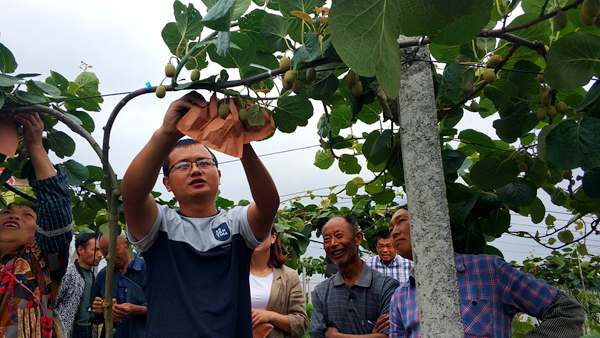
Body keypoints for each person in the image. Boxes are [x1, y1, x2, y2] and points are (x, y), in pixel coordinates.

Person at [120, 91, 280, 337]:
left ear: (219, 175)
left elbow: (269, 205)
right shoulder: (159, 225)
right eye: (183, 166)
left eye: (204, 163)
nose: (195, 170)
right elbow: (132, 195)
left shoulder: (236, 223)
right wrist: (166, 134)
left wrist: (242, 142)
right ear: (167, 183)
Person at [388, 207, 586, 337]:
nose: (394, 232)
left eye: (400, 221)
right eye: (391, 227)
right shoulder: (400, 297)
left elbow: (567, 311)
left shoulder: (489, 271)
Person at [0, 113, 73, 337]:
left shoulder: (41, 263)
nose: (14, 216)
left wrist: (35, 146)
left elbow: (56, 209)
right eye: (6, 211)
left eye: (27, 215)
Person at [311, 216, 399, 338]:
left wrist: (334, 336)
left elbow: (392, 334)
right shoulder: (320, 292)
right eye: (327, 240)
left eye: (339, 236)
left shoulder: (387, 286)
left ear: (358, 238)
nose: (333, 243)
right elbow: (317, 335)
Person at [249, 227, 308, 338]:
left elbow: (301, 323)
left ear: (273, 237)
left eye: (261, 231)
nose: (255, 237)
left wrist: (271, 316)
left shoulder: (289, 277)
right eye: (250, 233)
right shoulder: (235, 274)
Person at [92, 235, 146, 338]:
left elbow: (163, 310)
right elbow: (94, 316)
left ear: (126, 244)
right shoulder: (103, 276)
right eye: (105, 253)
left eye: (113, 251)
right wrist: (99, 311)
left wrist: (135, 309)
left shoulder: (147, 270)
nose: (109, 256)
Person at [55, 233, 103, 338]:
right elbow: (55, 302)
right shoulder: (69, 273)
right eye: (95, 250)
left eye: (101, 250)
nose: (100, 255)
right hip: (71, 330)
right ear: (81, 250)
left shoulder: (94, 275)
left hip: (89, 329)